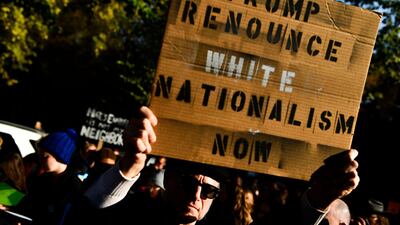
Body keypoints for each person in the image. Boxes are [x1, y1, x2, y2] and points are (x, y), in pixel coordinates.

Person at [66, 106, 360, 225]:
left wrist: (321, 198)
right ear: (167, 179)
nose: (197, 196)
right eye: (189, 183)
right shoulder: (132, 217)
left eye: (209, 191)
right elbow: (85, 217)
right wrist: (129, 167)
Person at [16, 128, 82, 225]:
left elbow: (52, 211)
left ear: (60, 155)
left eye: (45, 156)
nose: (41, 160)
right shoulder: (44, 179)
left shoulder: (73, 186)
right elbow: (30, 202)